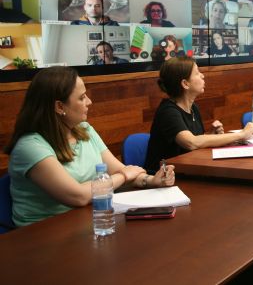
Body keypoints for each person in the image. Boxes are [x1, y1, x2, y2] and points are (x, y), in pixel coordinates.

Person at [5, 66, 175, 227]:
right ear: (59, 106)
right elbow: (78, 196)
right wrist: (123, 176)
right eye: (81, 97)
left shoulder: (84, 130)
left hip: (87, 221)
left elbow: (119, 171)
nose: (89, 101)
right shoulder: (30, 146)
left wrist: (152, 181)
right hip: (41, 235)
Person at [144, 57, 253, 173]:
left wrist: (211, 135)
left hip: (186, 170)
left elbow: (196, 140)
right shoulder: (168, 111)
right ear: (185, 84)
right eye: (197, 73)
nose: (202, 76)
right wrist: (242, 134)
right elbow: (191, 142)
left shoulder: (193, 107)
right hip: (162, 179)